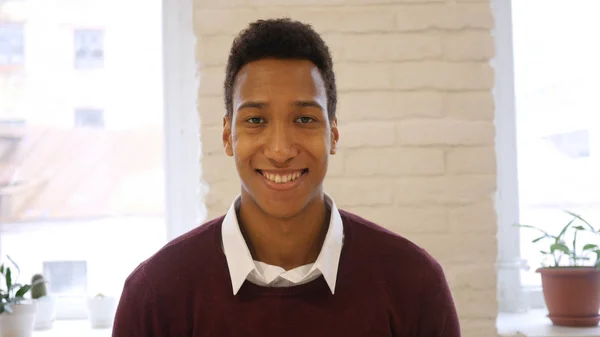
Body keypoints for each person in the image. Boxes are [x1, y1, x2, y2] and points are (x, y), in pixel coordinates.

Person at [112, 18, 461, 337]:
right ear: (227, 135)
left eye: (305, 119)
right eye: (255, 121)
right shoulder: (155, 296)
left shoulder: (414, 284)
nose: (280, 151)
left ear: (333, 135)